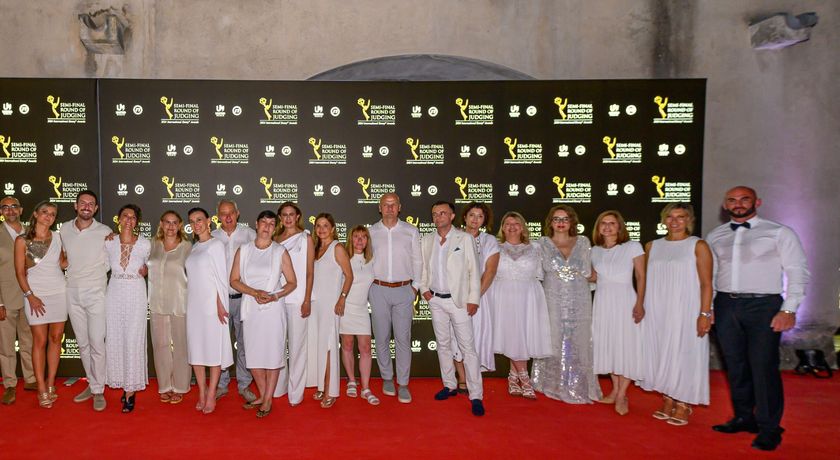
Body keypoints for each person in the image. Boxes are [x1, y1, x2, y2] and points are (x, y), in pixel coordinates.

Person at [706, 186, 809, 451]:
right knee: (735, 365)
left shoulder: (779, 232)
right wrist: (711, 307)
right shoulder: (715, 235)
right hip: (726, 304)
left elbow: (797, 271)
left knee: (763, 367)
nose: (738, 204)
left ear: (757, 202)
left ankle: (769, 428)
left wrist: (789, 309)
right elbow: (713, 275)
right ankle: (743, 417)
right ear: (725, 205)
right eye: (732, 200)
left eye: (744, 199)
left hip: (764, 305)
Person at [640, 203, 713, 426]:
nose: (675, 221)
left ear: (689, 220)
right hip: (657, 309)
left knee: (685, 352)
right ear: (663, 220)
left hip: (686, 309)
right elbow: (646, 279)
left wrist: (705, 313)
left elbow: (707, 283)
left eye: (680, 217)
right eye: (670, 217)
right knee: (661, 351)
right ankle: (668, 398)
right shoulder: (652, 246)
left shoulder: (698, 245)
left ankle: (683, 403)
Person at [420, 201, 485, 416]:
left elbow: (474, 271)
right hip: (436, 300)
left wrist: (473, 299)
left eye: (443, 213)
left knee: (468, 349)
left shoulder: (464, 239)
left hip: (459, 302)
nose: (438, 217)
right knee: (443, 344)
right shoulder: (427, 240)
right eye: (435, 214)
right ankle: (449, 384)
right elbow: (423, 268)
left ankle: (476, 395)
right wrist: (424, 289)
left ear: (452, 216)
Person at [230, 210, 297, 418]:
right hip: (251, 309)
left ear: (275, 227)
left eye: (271, 223)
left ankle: (267, 399)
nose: (267, 227)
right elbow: (234, 280)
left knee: (273, 354)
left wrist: (274, 296)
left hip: (273, 310)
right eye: (264, 223)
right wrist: (254, 292)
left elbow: (292, 282)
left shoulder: (279, 251)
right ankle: (262, 394)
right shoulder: (244, 250)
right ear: (256, 224)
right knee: (253, 355)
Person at [533, 205, 602, 403]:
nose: (561, 223)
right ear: (550, 222)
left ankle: (578, 385)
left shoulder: (583, 242)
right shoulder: (542, 244)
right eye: (556, 219)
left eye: (565, 219)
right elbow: (536, 274)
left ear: (572, 222)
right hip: (552, 299)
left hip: (579, 299)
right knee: (552, 339)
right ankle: (550, 384)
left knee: (579, 340)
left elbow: (589, 272)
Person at [487, 211, 551, 399]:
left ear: (523, 227)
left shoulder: (536, 247)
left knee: (520, 335)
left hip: (528, 296)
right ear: (502, 228)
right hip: (503, 297)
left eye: (516, 223)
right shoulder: (494, 246)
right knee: (512, 335)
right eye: (508, 223)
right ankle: (525, 379)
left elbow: (541, 274)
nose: (512, 227)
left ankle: (513, 377)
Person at [60, 190, 112, 411]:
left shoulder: (105, 231)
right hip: (71, 291)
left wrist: (94, 275)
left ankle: (99, 390)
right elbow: (62, 257)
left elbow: (110, 262)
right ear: (75, 205)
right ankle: (92, 384)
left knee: (96, 342)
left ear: (96, 208)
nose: (87, 206)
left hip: (96, 292)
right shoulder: (64, 229)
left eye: (91, 204)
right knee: (82, 343)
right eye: (83, 203)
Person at [590, 210, 646, 415]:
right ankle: (614, 390)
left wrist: (640, 303)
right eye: (603, 223)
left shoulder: (633, 246)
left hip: (625, 300)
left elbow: (641, 276)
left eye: (612, 223)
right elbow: (594, 277)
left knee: (626, 345)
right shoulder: (594, 251)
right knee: (609, 345)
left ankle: (622, 394)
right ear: (598, 228)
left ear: (619, 226)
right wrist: (568, 272)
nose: (607, 227)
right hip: (603, 302)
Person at [368, 192, 422, 403]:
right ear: (379, 208)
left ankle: (404, 383)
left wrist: (415, 288)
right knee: (381, 337)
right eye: (385, 204)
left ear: (399, 207)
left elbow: (418, 261)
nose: (389, 208)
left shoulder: (411, 231)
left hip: (404, 290)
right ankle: (387, 378)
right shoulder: (371, 232)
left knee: (403, 339)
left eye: (393, 204)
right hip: (378, 289)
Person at [13, 201, 67, 408]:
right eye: (45, 212)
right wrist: (30, 295)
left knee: (56, 338)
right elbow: (19, 272)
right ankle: (41, 388)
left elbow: (62, 263)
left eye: (52, 214)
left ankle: (51, 384)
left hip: (59, 292)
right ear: (35, 214)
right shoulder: (22, 241)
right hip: (35, 295)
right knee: (40, 341)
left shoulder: (58, 237)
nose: (48, 216)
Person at [185, 207, 233, 414]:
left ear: (208, 222)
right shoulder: (194, 247)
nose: (196, 224)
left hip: (211, 308)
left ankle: (212, 393)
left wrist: (220, 304)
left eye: (199, 219)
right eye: (192, 221)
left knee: (213, 350)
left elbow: (221, 279)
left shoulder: (216, 245)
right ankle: (202, 392)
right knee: (196, 350)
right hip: (194, 306)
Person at [104, 204, 151, 413]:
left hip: (136, 294)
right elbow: (101, 266)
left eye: (133, 217)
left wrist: (147, 269)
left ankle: (131, 390)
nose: (129, 220)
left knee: (133, 339)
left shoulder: (145, 244)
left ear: (137, 221)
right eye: (125, 216)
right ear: (119, 218)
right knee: (115, 338)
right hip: (114, 293)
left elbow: (153, 266)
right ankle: (121, 382)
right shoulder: (109, 242)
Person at [212, 199, 257, 403]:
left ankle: (244, 384)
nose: (228, 217)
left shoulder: (250, 234)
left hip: (245, 299)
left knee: (245, 342)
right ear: (218, 216)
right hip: (220, 300)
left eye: (231, 212)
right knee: (220, 343)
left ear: (238, 213)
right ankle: (221, 385)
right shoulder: (212, 237)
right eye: (223, 213)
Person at [451, 203, 499, 392]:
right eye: (472, 215)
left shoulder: (489, 241)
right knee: (455, 337)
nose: (475, 219)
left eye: (480, 216)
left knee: (476, 338)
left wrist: (474, 297)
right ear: (465, 217)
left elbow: (490, 271)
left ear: (484, 220)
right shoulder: (454, 236)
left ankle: (474, 379)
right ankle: (462, 379)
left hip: (480, 298)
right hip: (454, 297)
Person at [272, 202, 315, 405]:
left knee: (297, 347)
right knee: (278, 345)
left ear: (297, 216)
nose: (288, 218)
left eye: (292, 214)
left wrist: (306, 299)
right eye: (284, 215)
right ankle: (279, 387)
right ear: (280, 218)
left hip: (298, 300)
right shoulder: (275, 239)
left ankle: (295, 393)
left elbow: (309, 272)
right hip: (277, 299)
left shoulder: (306, 238)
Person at [147, 210, 191, 405]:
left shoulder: (187, 247)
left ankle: (180, 386)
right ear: (161, 224)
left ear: (180, 225)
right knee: (160, 345)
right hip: (157, 301)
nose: (171, 226)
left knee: (181, 346)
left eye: (174, 223)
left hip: (180, 302)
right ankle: (165, 386)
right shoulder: (152, 244)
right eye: (167, 222)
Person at [310, 214, 353, 408]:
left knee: (328, 348)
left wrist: (342, 298)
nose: (321, 229)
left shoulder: (337, 248)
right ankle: (322, 384)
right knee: (319, 346)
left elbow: (349, 276)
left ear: (333, 228)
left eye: (325, 225)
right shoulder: (315, 249)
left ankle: (330, 390)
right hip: (315, 305)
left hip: (331, 305)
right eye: (318, 226)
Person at [0, 196, 36, 405]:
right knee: (6, 345)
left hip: (30, 296)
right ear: (1, 212)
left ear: (21, 210)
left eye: (14, 206)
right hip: (5, 298)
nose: (10, 210)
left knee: (28, 340)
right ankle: (10, 384)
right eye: (5, 207)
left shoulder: (31, 232)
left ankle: (30, 379)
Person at [339, 225, 379, 405]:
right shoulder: (344, 258)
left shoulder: (372, 260)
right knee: (347, 345)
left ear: (367, 240)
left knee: (366, 348)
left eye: (364, 236)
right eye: (356, 236)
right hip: (345, 308)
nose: (360, 240)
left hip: (362, 310)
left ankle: (366, 388)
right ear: (351, 239)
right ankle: (351, 381)